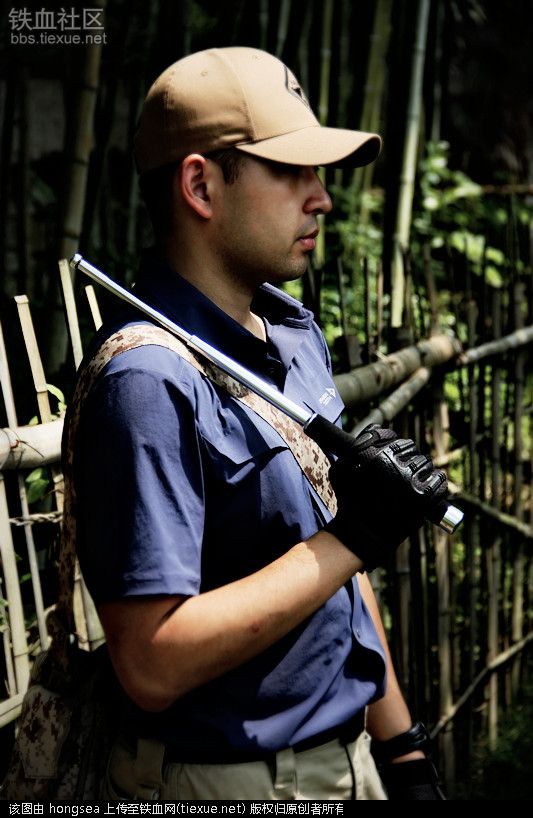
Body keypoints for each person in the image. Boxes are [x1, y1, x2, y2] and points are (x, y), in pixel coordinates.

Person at [72, 46, 447, 800]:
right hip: (232, 782)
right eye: (291, 171)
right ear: (200, 185)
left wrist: (400, 749)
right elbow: (150, 664)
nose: (322, 199)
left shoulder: (291, 332)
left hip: (347, 762)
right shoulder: (148, 379)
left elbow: (334, 564)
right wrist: (355, 537)